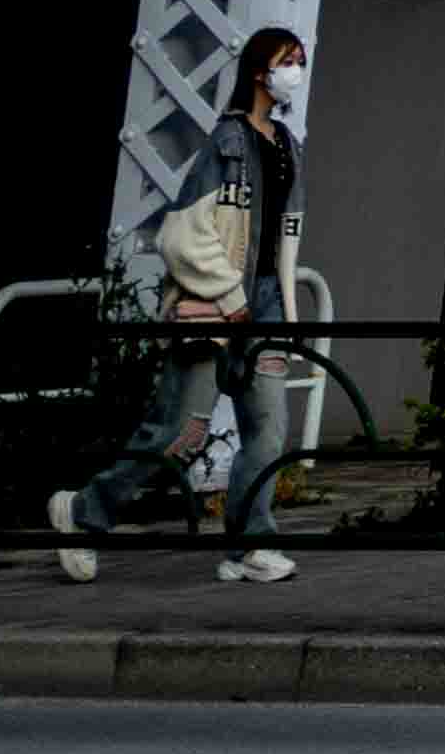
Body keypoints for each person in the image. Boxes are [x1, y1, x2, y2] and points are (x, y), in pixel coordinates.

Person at [50, 30, 312, 590]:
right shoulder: (227, 142)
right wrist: (233, 294)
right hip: (217, 308)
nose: (296, 70)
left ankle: (252, 545)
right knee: (179, 433)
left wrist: (282, 310)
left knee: (268, 433)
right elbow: (180, 235)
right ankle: (85, 512)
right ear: (260, 72)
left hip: (265, 307)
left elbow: (285, 239)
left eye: (300, 61)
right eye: (286, 61)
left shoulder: (288, 144)